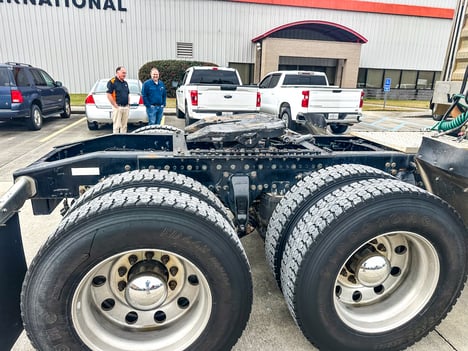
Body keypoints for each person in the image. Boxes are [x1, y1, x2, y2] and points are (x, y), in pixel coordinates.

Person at [107, 66, 130, 133]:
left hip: (125, 107)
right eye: (123, 73)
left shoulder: (125, 83)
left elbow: (128, 94)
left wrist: (128, 104)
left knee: (124, 126)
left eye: (125, 73)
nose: (124, 74)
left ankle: (123, 141)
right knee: (117, 126)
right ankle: (116, 142)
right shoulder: (112, 82)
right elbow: (108, 94)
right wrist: (115, 105)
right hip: (118, 107)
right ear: (117, 72)